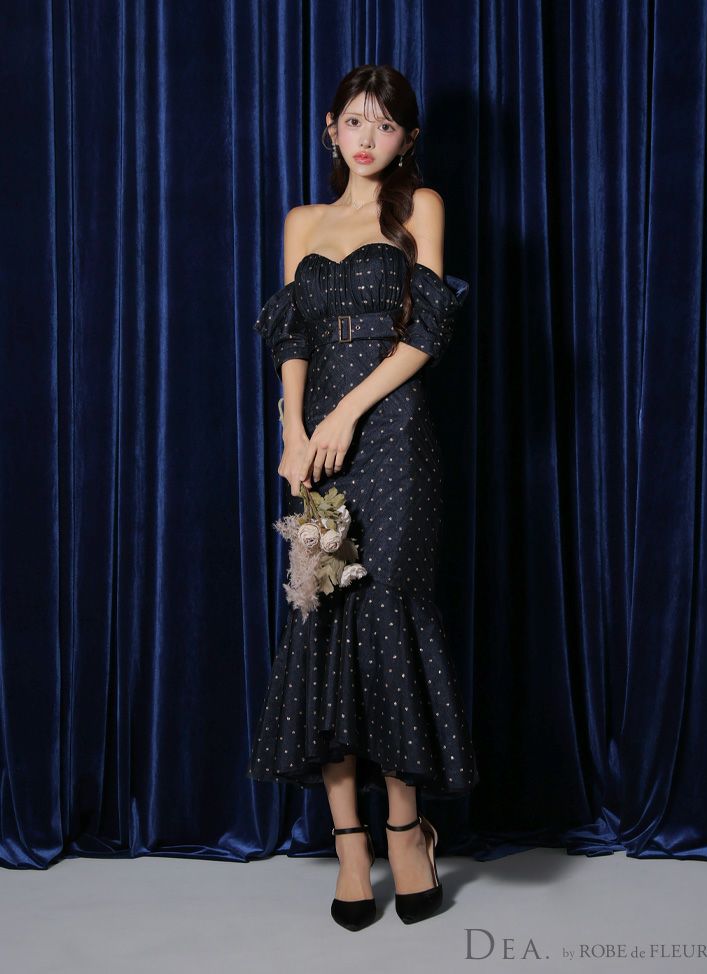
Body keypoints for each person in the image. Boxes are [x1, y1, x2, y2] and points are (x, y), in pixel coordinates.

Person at [248, 64, 479, 930]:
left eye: (385, 125)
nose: (368, 137)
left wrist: (347, 412)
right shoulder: (302, 222)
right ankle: (350, 846)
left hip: (393, 434)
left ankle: (407, 832)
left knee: (387, 617)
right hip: (317, 446)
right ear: (331, 130)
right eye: (355, 121)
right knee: (323, 623)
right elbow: (292, 336)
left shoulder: (421, 209)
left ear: (407, 138)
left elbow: (429, 330)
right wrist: (294, 432)